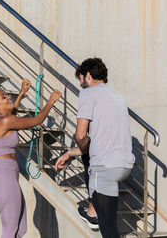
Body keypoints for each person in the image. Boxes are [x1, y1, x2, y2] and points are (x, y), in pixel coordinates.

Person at [55, 58, 134, 238]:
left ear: (88, 76)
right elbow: (99, 139)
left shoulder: (88, 94)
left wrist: (81, 150)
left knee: (108, 229)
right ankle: (91, 213)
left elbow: (81, 135)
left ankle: (91, 214)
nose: (81, 84)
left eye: (80, 79)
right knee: (110, 226)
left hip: (104, 169)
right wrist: (70, 153)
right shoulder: (117, 96)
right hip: (124, 166)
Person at [0, 78, 61, 238]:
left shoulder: (2, 119)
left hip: (6, 178)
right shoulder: (4, 121)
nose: (8, 97)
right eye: (3, 97)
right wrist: (50, 101)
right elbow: (36, 121)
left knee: (20, 229)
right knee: (10, 231)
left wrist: (22, 92)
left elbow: (13, 110)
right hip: (4, 179)